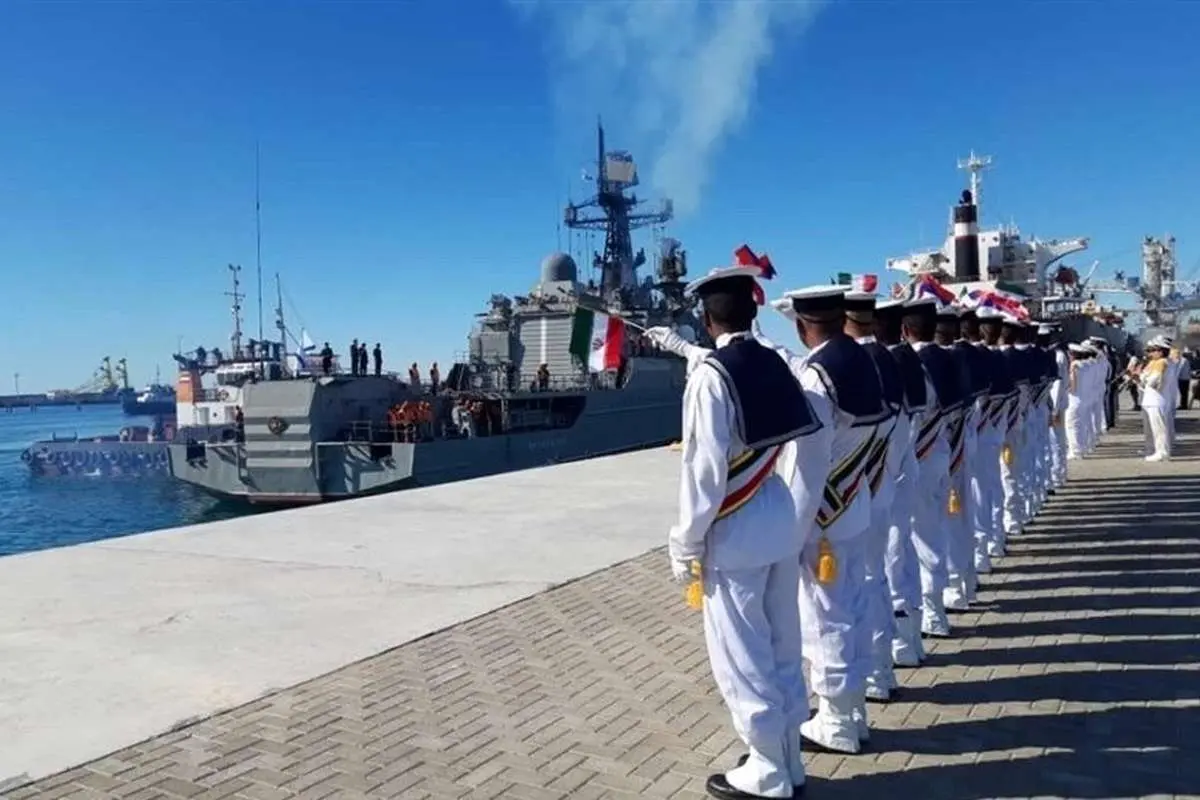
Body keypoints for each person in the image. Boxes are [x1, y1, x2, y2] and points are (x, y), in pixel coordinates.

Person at [666, 264, 828, 800]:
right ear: (755, 309)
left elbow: (703, 471)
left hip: (735, 534)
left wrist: (685, 543)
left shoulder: (711, 376)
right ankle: (789, 756)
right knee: (784, 646)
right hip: (781, 519)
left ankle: (766, 768)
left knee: (742, 656)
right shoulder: (777, 361)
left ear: (706, 318)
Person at [768, 285, 889, 754]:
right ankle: (854, 712)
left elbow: (806, 464)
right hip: (855, 503)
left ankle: (836, 720)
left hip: (822, 520)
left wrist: (790, 534)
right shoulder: (864, 362)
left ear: (802, 327)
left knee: (825, 619)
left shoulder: (818, 377)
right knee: (854, 609)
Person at [841, 292, 903, 704]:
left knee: (854, 592)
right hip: (883, 482)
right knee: (877, 576)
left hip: (850, 494)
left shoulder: (846, 366)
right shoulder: (892, 362)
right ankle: (882, 667)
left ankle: (864, 685)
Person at [872, 298, 929, 669]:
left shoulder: (880, 369)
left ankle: (895, 650)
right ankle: (911, 639)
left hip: (883, 476)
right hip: (907, 467)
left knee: (886, 562)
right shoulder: (913, 364)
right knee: (904, 552)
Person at [903, 297, 964, 640]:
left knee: (919, 539)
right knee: (937, 530)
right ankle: (944, 599)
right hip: (944, 451)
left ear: (905, 329)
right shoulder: (950, 359)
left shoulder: (913, 364)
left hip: (920, 458)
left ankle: (931, 613)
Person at [1140, 339, 1171, 462]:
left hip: (1157, 400)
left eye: (1153, 350)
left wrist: (1144, 378)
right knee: (1153, 428)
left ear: (1161, 351)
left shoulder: (1161, 363)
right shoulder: (1153, 363)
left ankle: (1161, 452)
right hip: (1150, 399)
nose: (1150, 353)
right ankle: (1156, 450)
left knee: (1159, 429)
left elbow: (1153, 381)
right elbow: (1143, 379)